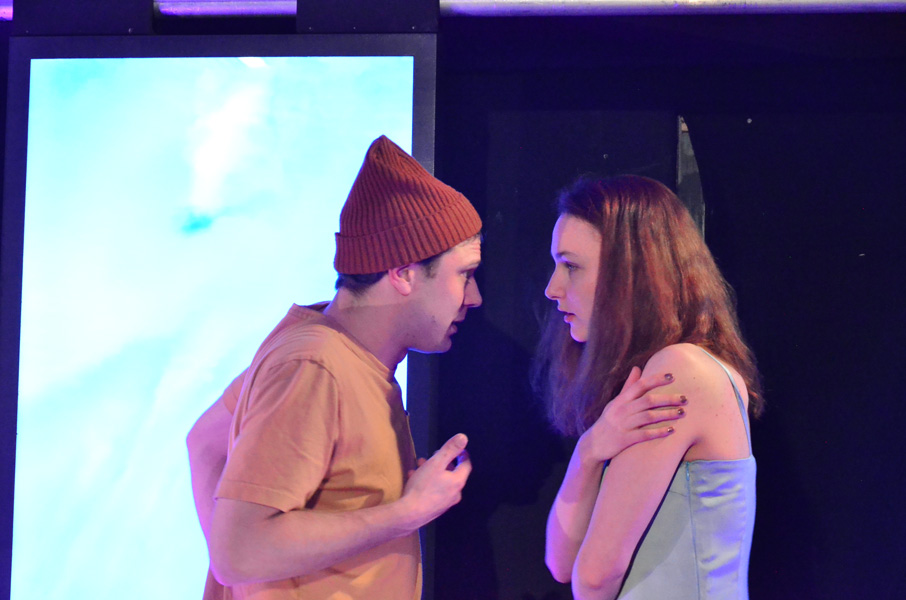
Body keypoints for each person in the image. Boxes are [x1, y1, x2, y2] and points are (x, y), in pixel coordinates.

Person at [186, 135, 483, 600]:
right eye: (464, 274)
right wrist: (405, 513)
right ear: (403, 273)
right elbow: (237, 551)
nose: (474, 297)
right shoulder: (314, 366)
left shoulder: (321, 349)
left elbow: (205, 442)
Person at [535, 175, 764, 600]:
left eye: (571, 266)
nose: (553, 288)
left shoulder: (680, 371)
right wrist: (588, 450)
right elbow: (561, 563)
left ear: (631, 273)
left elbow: (593, 580)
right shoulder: (665, 370)